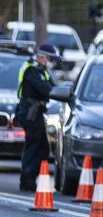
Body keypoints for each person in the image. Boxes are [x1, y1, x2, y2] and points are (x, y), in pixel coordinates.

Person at [16, 44, 59, 192]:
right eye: (51, 58)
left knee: (41, 148)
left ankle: (29, 178)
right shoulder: (32, 70)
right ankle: (27, 179)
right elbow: (45, 89)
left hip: (36, 112)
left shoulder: (41, 70)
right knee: (34, 146)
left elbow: (52, 85)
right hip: (30, 112)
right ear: (42, 56)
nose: (53, 62)